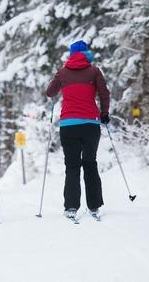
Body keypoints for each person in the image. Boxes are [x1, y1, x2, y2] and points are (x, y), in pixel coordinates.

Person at [45, 40, 110, 220]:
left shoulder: (63, 72)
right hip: (91, 124)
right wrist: (104, 113)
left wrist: (58, 78)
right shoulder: (94, 71)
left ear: (71, 54)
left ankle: (71, 207)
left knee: (72, 166)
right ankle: (94, 206)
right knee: (90, 163)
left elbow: (50, 92)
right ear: (87, 54)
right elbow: (105, 93)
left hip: (69, 125)